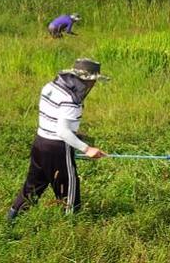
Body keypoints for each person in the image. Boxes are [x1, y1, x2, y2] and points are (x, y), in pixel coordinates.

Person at [8, 58, 108, 221]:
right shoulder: (72, 101)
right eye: (93, 81)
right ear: (85, 80)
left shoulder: (50, 87)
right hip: (58, 149)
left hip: (40, 142)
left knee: (32, 186)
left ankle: (12, 219)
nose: (93, 85)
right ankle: (71, 226)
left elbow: (53, 119)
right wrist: (88, 149)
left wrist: (78, 135)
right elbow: (62, 132)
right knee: (69, 190)